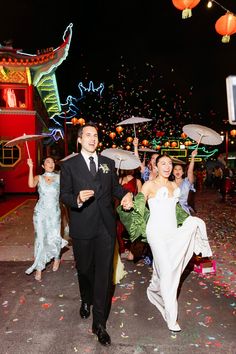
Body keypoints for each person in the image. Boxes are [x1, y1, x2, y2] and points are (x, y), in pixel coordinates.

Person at [117, 154, 212, 332]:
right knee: (168, 271)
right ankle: (171, 316)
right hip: (156, 233)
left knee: (167, 265)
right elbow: (139, 202)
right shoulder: (149, 184)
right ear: (156, 166)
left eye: (170, 163)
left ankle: (153, 289)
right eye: (163, 163)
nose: (167, 167)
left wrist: (190, 222)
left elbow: (177, 211)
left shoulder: (174, 185)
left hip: (172, 232)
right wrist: (129, 202)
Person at [59, 122, 133, 346]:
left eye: (96, 135)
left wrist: (126, 196)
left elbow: (115, 188)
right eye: (88, 135)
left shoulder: (108, 164)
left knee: (104, 275)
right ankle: (85, 298)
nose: (93, 139)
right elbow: (64, 195)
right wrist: (78, 199)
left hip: (105, 227)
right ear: (80, 139)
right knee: (84, 269)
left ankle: (99, 323)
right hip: (82, 227)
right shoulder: (69, 165)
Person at [25, 157, 68, 282]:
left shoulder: (59, 178)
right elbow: (30, 184)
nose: (51, 164)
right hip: (40, 213)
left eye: (53, 162)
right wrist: (30, 167)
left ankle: (56, 257)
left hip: (54, 212)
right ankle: (39, 268)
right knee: (41, 238)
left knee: (54, 236)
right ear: (43, 166)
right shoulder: (39, 178)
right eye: (48, 162)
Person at [116, 168, 143, 261]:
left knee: (130, 230)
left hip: (131, 208)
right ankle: (121, 248)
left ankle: (131, 250)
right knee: (118, 229)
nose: (130, 170)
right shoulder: (120, 179)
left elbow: (140, 197)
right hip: (119, 207)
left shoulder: (137, 181)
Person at [172, 148, 197, 215]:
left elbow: (190, 172)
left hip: (184, 211)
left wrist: (193, 157)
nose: (177, 171)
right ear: (172, 172)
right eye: (175, 169)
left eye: (180, 169)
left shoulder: (186, 182)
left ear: (183, 172)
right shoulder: (169, 183)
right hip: (171, 211)